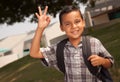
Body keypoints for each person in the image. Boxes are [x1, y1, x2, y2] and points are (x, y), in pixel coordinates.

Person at [30, 5, 114, 82]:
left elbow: (110, 62)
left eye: (77, 21)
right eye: (67, 24)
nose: (73, 26)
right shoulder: (59, 49)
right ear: (62, 28)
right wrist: (40, 28)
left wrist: (102, 61)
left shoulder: (94, 42)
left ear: (83, 22)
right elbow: (34, 53)